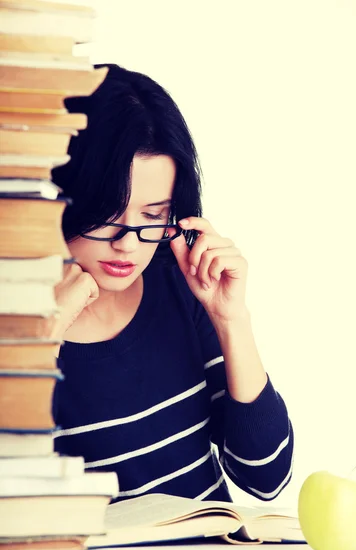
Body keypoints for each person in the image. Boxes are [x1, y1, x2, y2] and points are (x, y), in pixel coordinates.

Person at [51, 63, 294, 503]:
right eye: (106, 212)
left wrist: (231, 320)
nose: (127, 244)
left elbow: (267, 477)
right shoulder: (20, 326)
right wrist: (40, 338)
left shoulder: (177, 281)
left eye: (152, 215)